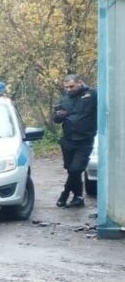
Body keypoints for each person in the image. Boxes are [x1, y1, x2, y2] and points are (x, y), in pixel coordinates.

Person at [52, 73, 97, 207]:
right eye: (66, 87)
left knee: (76, 169)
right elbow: (55, 119)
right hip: (68, 140)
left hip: (85, 140)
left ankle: (65, 193)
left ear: (79, 83)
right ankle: (78, 198)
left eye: (71, 86)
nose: (68, 89)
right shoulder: (64, 99)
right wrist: (59, 115)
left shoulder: (91, 95)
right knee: (71, 169)